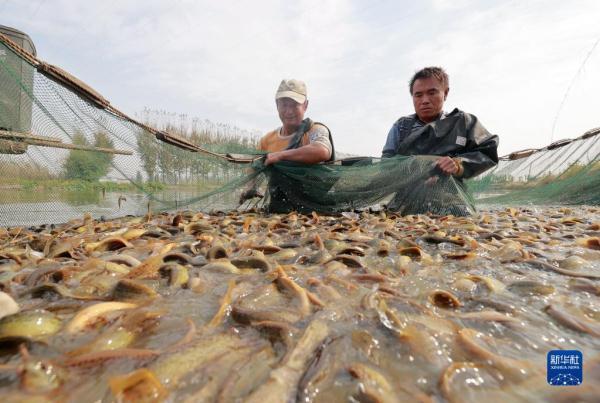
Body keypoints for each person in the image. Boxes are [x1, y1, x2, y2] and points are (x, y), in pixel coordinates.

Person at [381, 66, 498, 179]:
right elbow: (385, 167)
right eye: (418, 95)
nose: (425, 100)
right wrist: (419, 179)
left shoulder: (463, 123)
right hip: (406, 197)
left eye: (432, 93)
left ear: (445, 93)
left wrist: (458, 165)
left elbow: (487, 152)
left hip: (451, 197)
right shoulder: (401, 127)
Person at [239, 79, 335, 210]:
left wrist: (280, 155)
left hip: (315, 208)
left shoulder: (315, 130)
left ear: (305, 105)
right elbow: (254, 168)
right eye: (284, 105)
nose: (289, 111)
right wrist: (250, 187)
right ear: (276, 105)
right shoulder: (267, 140)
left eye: (295, 105)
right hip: (279, 208)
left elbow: (322, 150)